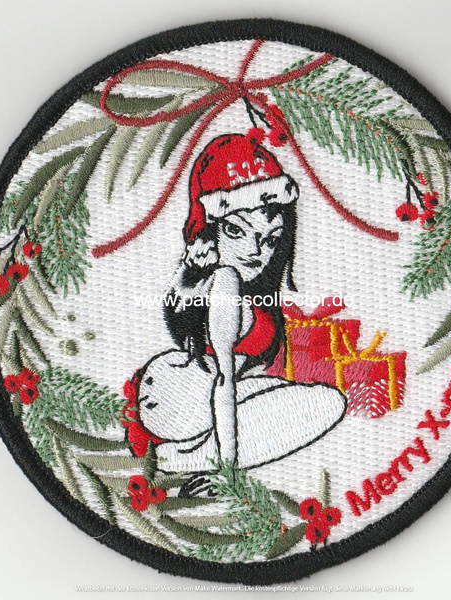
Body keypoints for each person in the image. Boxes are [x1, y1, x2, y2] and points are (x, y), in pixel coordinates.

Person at [136, 133, 347, 477]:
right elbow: (223, 380)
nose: (255, 251)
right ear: (210, 230)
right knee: (325, 404)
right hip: (181, 395)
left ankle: (194, 450)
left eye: (270, 239)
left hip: (209, 392)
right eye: (236, 231)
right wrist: (228, 466)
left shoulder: (248, 289)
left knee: (311, 399)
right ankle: (192, 458)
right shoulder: (225, 282)